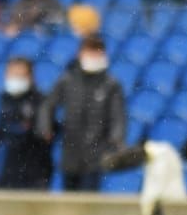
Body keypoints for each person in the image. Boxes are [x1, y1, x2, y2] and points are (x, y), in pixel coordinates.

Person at [43, 36, 126, 192]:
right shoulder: (67, 80)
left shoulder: (110, 84)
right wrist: (46, 127)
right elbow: (48, 105)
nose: (93, 57)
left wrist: (116, 139)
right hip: (70, 152)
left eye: (97, 53)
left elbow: (118, 115)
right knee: (69, 199)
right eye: (90, 52)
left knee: (88, 196)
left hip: (96, 154)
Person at [0, 56, 51, 190]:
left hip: (34, 166)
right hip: (10, 164)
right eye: (12, 74)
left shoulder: (40, 100)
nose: (15, 78)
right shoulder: (5, 98)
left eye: (19, 74)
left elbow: (43, 133)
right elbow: (1, 123)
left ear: (30, 76)